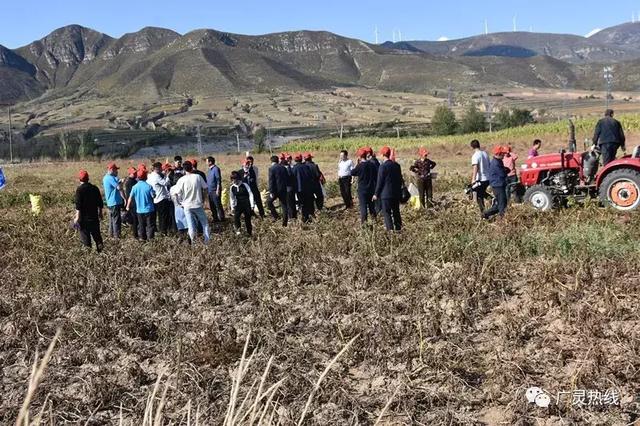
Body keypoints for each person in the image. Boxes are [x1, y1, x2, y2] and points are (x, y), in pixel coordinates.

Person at [171, 161, 210, 244]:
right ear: (192, 167)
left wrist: (179, 203)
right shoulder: (198, 177)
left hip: (187, 206)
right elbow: (205, 188)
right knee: (205, 223)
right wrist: (205, 200)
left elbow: (175, 193)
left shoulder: (181, 179)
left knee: (190, 225)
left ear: (184, 169)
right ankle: (207, 241)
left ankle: (193, 242)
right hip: (197, 204)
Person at [373, 146, 403, 232]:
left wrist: (376, 194)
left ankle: (390, 231)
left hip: (386, 194)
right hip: (396, 194)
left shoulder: (382, 167)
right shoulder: (397, 165)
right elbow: (400, 179)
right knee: (396, 212)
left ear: (382, 155)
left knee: (387, 213)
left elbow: (380, 182)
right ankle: (399, 229)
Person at [74, 170, 104, 252]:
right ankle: (101, 253)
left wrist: (77, 217)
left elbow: (78, 205)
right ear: (88, 178)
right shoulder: (95, 188)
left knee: (86, 240)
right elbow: (100, 203)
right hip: (94, 217)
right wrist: (100, 213)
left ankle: (89, 255)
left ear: (79, 179)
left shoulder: (79, 190)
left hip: (83, 219)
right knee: (97, 237)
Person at [126, 170, 156, 241]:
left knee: (141, 225)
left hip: (139, 210)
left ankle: (142, 239)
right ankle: (150, 239)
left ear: (138, 177)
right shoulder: (149, 186)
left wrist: (127, 206)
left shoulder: (134, 187)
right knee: (150, 225)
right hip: (149, 209)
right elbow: (153, 196)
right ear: (145, 177)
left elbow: (130, 197)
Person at [351, 147, 378, 224]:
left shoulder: (359, 166)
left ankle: (364, 224)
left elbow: (352, 172)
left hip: (362, 190)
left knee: (363, 208)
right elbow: (376, 175)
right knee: (372, 207)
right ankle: (375, 222)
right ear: (366, 155)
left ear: (359, 156)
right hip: (371, 189)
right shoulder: (372, 165)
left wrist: (357, 164)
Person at [483, 146, 509, 220]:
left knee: (500, 204)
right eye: (503, 154)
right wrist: (506, 171)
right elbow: (502, 174)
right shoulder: (496, 163)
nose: (504, 155)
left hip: (499, 185)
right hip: (498, 186)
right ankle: (503, 221)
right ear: (499, 153)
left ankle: (485, 214)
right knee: (502, 205)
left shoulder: (498, 161)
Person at [148, 162, 173, 235]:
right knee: (163, 217)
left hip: (155, 199)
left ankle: (160, 230)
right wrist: (167, 176)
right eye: (161, 168)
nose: (162, 169)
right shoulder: (157, 177)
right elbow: (165, 183)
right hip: (161, 199)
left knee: (159, 216)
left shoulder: (150, 175)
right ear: (157, 168)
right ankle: (163, 231)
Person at [102, 162, 125, 239]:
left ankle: (111, 235)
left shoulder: (106, 177)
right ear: (111, 169)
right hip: (114, 202)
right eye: (115, 170)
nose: (117, 171)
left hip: (110, 202)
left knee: (111, 220)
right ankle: (117, 237)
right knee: (116, 221)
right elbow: (119, 187)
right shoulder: (110, 178)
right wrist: (122, 182)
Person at [230, 170, 256, 236]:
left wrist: (252, 205)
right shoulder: (232, 187)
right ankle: (238, 230)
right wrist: (232, 207)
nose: (233, 181)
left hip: (246, 204)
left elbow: (250, 194)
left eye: (234, 180)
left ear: (238, 179)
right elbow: (232, 198)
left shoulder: (244, 185)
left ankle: (249, 233)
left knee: (247, 219)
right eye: (232, 180)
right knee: (236, 217)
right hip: (238, 204)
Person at [267, 155, 289, 227]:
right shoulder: (283, 168)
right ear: (277, 160)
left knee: (269, 202)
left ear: (271, 161)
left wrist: (271, 191)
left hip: (275, 190)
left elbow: (271, 181)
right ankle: (285, 223)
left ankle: (276, 216)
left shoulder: (271, 169)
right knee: (284, 205)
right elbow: (287, 178)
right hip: (283, 189)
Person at [293, 153, 315, 223]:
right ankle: (309, 216)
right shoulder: (306, 167)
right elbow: (310, 177)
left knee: (302, 204)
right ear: (301, 159)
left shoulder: (294, 168)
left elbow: (293, 179)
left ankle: (304, 218)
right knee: (308, 202)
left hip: (299, 189)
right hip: (307, 188)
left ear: (295, 160)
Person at [470, 139, 491, 213]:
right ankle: (491, 199)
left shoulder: (475, 155)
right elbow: (489, 164)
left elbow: (475, 167)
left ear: (472, 147)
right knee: (482, 193)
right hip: (488, 178)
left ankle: (483, 213)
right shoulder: (485, 153)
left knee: (479, 196)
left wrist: (473, 179)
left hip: (480, 179)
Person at [206, 156, 225, 223]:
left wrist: (218, 189)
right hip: (210, 191)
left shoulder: (216, 169)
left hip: (215, 190)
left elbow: (218, 180)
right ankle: (215, 218)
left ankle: (222, 218)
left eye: (207, 161)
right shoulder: (209, 170)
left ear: (210, 162)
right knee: (212, 206)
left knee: (218, 205)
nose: (206, 162)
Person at [123, 167, 139, 239]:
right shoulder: (130, 182)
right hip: (132, 203)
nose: (135, 173)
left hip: (133, 202)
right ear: (130, 173)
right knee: (135, 220)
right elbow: (131, 194)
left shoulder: (133, 180)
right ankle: (135, 235)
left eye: (136, 172)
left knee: (136, 220)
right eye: (134, 173)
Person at [283, 153, 298, 220]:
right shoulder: (284, 167)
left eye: (289, 158)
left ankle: (293, 215)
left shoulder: (293, 166)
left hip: (293, 187)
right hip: (288, 188)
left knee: (292, 202)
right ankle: (291, 216)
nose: (289, 160)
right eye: (287, 158)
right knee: (289, 203)